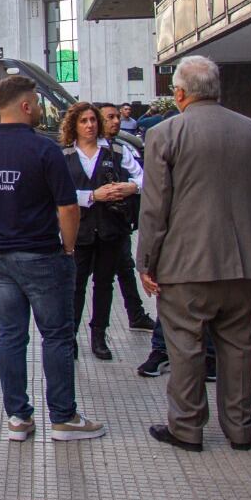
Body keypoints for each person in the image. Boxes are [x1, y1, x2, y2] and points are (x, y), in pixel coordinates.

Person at [137, 55, 251, 452]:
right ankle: (240, 427)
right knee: (239, 344)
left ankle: (187, 427)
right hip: (244, 262)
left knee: (185, 346)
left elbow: (155, 205)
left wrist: (146, 260)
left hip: (186, 263)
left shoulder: (166, 134)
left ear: (179, 93)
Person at [0, 75, 104, 442]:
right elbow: (68, 206)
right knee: (55, 335)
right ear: (25, 106)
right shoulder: (44, 149)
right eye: (37, 103)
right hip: (41, 253)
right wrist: (68, 247)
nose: (40, 109)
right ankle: (63, 417)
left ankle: (18, 419)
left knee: (11, 335)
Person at [59, 103, 144, 362]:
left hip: (111, 228)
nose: (89, 125)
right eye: (83, 121)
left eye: (93, 120)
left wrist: (130, 187)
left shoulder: (117, 150)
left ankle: (99, 336)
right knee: (75, 285)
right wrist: (91, 196)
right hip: (79, 230)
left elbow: (144, 178)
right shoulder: (63, 156)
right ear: (74, 125)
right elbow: (53, 192)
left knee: (105, 284)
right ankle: (69, 336)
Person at [99, 103, 156, 332]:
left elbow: (143, 178)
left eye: (116, 117)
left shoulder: (122, 150)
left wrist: (130, 187)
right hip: (89, 224)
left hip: (117, 221)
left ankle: (136, 313)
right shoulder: (77, 150)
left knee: (124, 267)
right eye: (109, 117)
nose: (115, 121)